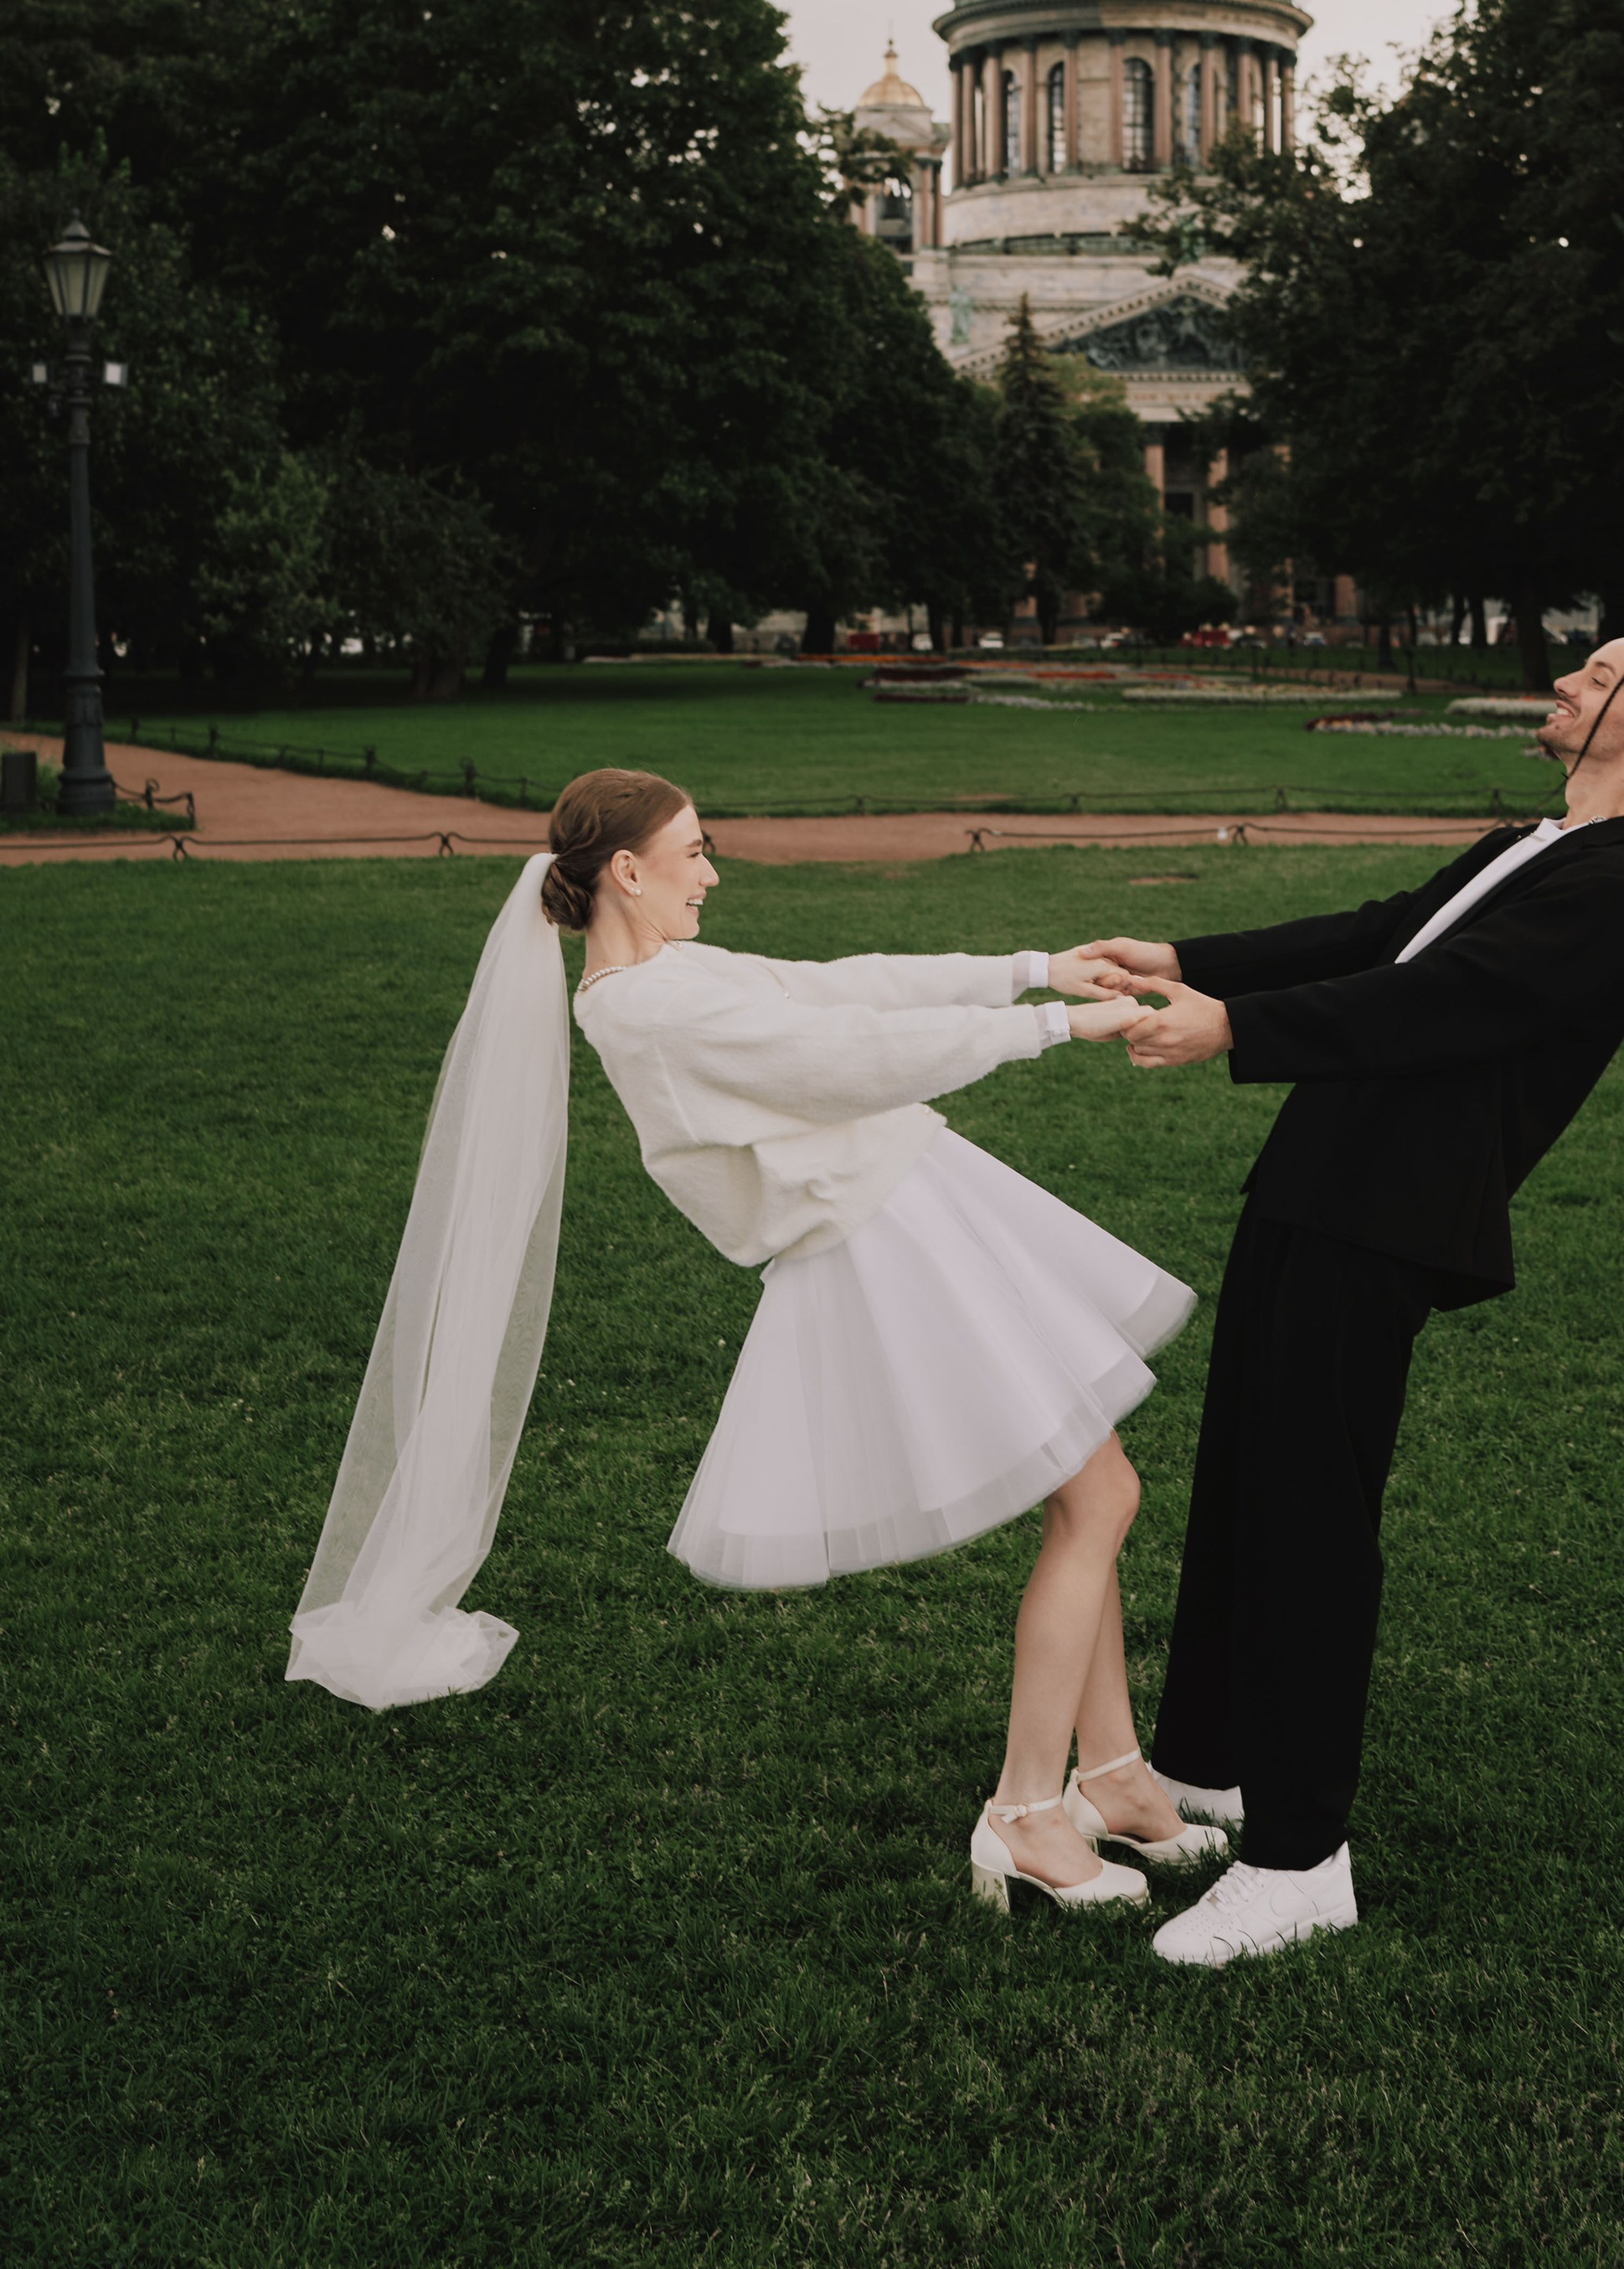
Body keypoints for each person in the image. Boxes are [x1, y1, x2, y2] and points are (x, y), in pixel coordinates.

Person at [287, 768, 1226, 1918]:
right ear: (627, 871)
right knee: (1098, 1499)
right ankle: (1029, 1812)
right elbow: (844, 1060)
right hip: (882, 1251)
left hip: (912, 1211)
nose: (713, 871)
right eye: (694, 851)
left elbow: (840, 990)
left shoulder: (670, 974)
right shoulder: (639, 1007)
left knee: (1095, 1490)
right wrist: (1054, 1023)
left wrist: (1033, 967)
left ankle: (1116, 1778)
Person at [1077, 633, 1624, 1967]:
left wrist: (1235, 1031)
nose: (1561, 680)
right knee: (1247, 1473)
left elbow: (1445, 1000)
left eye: (1593, 674)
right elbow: (1381, 935)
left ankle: (1302, 1859)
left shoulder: (1620, 889)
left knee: (1312, 1515)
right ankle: (1211, 1762)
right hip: (1319, 1178)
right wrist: (1189, 953)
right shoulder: (1532, 844)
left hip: (1386, 1213)